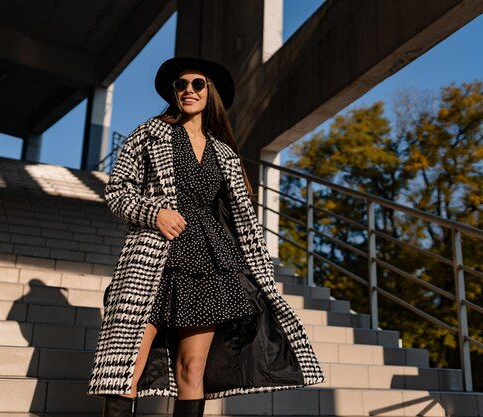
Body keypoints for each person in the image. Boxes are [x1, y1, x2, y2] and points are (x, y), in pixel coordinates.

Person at [88, 56, 324, 417]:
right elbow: (117, 190)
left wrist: (262, 276)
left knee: (192, 370)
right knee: (125, 368)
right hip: (153, 260)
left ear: (209, 91)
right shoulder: (149, 133)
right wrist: (155, 212)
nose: (188, 90)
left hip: (208, 263)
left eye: (197, 84)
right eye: (181, 85)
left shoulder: (225, 153)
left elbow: (243, 223)